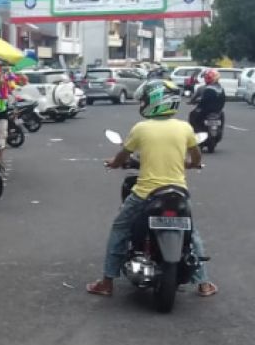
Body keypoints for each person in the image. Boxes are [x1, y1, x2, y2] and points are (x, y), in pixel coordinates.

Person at [86, 81, 218, 298]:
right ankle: (204, 283)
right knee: (191, 233)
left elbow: (123, 156)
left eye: (145, 99)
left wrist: (115, 163)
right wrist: (192, 164)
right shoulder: (184, 128)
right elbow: (196, 156)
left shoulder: (141, 128)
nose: (143, 103)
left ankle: (107, 282)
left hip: (145, 193)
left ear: (154, 102)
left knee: (120, 227)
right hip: (178, 192)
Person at [188, 68, 226, 132]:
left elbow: (201, 102)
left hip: (206, 111)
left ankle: (194, 131)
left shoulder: (205, 88)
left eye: (206, 77)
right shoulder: (221, 88)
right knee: (222, 114)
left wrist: (192, 102)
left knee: (193, 114)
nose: (205, 78)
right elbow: (223, 100)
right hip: (217, 111)